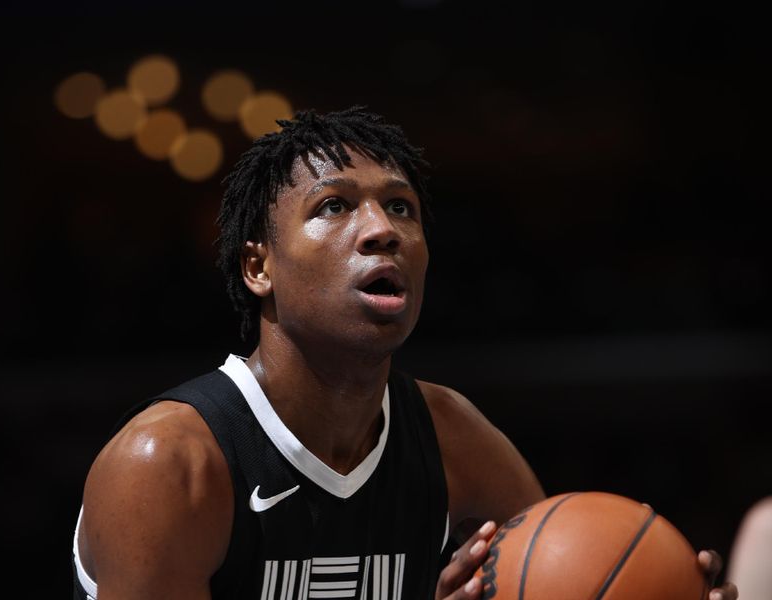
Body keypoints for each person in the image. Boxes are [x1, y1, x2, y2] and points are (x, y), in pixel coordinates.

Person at [71, 106, 737, 600]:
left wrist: (658, 579)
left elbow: (567, 568)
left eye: (402, 208)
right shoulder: (168, 466)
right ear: (258, 266)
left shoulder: (451, 436)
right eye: (333, 205)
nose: (382, 230)